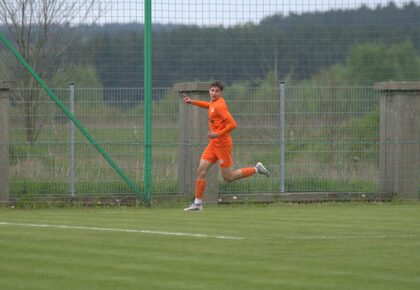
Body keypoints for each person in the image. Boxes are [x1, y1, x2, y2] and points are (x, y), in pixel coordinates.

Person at [183, 81, 270, 211]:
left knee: (229, 177)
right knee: (201, 171)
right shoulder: (213, 103)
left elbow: (233, 124)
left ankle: (256, 169)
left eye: (217, 91)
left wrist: (217, 134)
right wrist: (192, 101)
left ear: (221, 93)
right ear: (209, 91)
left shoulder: (220, 106)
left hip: (223, 145)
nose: (213, 93)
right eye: (212, 90)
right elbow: (209, 106)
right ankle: (197, 203)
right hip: (213, 144)